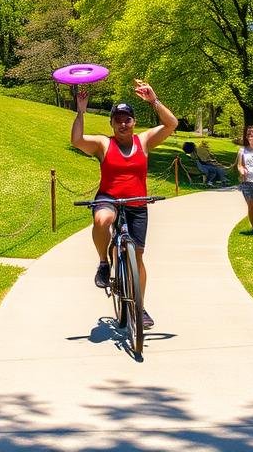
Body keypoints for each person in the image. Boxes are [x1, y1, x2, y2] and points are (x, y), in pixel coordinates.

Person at [71, 79, 177, 329]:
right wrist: (81, 111)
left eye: (127, 118)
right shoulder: (103, 144)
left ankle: (139, 308)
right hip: (109, 198)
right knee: (102, 220)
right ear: (111, 123)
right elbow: (76, 140)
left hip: (137, 203)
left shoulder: (145, 141)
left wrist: (154, 100)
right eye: (117, 119)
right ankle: (103, 262)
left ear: (133, 121)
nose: (122, 123)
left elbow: (171, 124)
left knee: (137, 257)